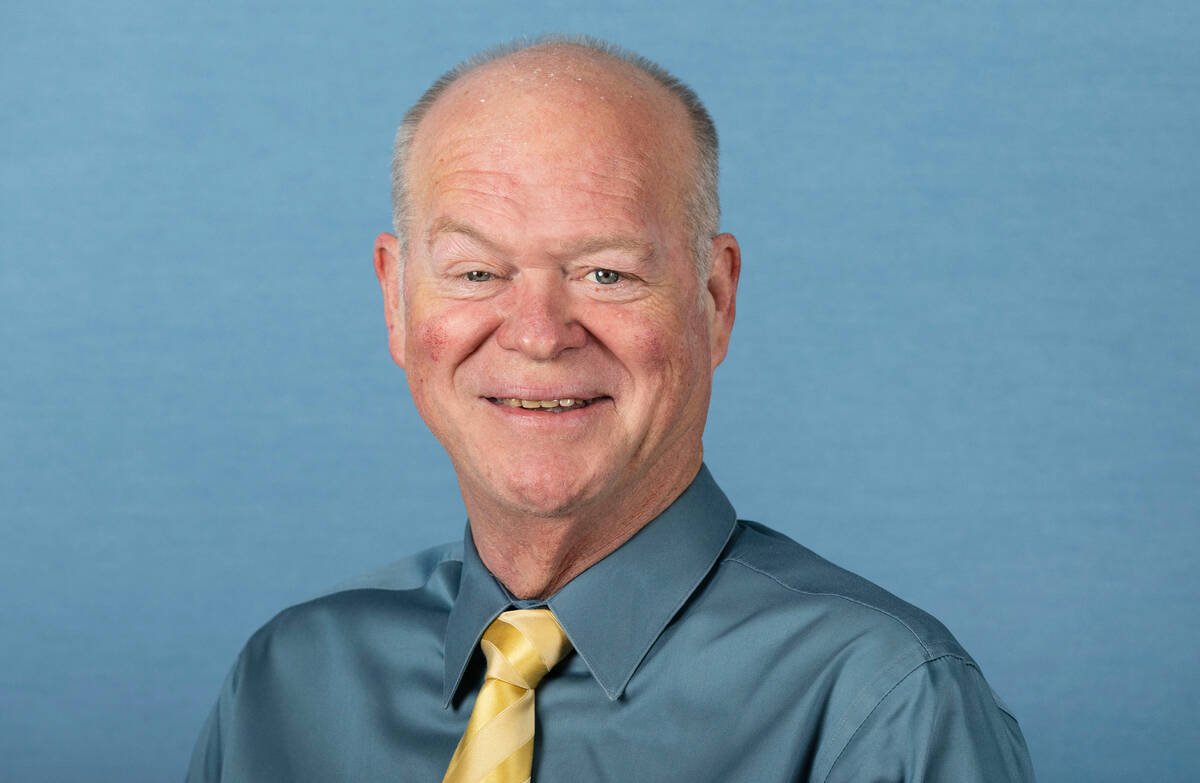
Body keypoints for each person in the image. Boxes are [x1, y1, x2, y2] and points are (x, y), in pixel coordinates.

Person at [187, 36, 1036, 782]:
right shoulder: (285, 684)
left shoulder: (883, 707)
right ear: (396, 303)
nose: (538, 334)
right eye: (478, 272)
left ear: (715, 296)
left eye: (606, 273)